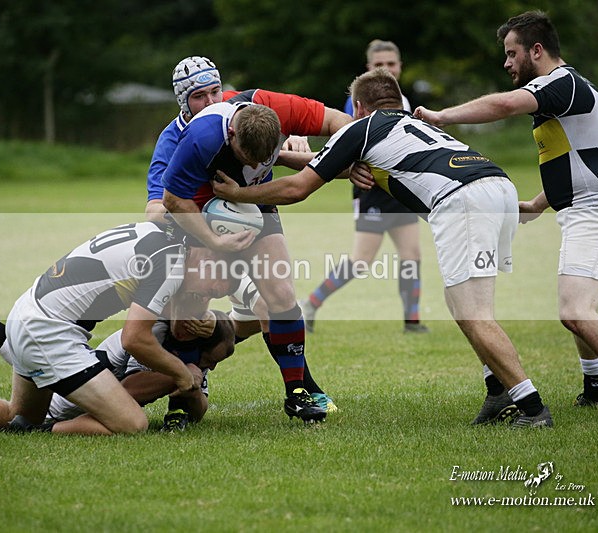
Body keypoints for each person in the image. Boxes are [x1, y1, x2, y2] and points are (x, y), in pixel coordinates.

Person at [213, 68, 553, 428]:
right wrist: (288, 157)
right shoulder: (414, 124)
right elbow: (327, 161)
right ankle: (497, 390)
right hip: (498, 186)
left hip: (462, 201)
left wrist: (239, 193)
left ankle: (532, 407)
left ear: (359, 107)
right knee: (460, 303)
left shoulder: (361, 129)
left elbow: (298, 187)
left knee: (473, 313)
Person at [413, 10, 598, 417]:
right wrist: (538, 203)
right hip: (589, 209)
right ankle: (595, 388)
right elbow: (581, 161)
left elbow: (503, 104)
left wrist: (442, 116)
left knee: (575, 311)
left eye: (511, 53)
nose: (506, 62)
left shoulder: (560, 82)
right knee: (577, 305)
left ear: (536, 50)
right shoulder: (568, 90)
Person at [0, 221, 239, 437]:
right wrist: (182, 374)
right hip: (52, 332)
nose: (207, 295)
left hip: (29, 312)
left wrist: (205, 319)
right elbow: (135, 339)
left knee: (19, 415)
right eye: (215, 287)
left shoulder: (163, 237)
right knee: (133, 423)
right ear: (209, 256)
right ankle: (42, 432)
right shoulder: (171, 264)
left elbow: (169, 306)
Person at [145, 56, 340, 413]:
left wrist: (354, 153)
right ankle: (182, 399)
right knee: (192, 304)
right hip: (201, 222)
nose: (210, 101)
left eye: (215, 91)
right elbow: (158, 209)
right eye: (198, 96)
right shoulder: (181, 140)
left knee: (280, 294)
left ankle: (298, 390)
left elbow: (337, 123)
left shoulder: (257, 110)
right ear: (182, 101)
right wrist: (211, 228)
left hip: (256, 210)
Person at [0, 282, 235, 432]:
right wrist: (182, 376)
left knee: (19, 356)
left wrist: (192, 385)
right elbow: (129, 391)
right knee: (19, 415)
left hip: (71, 365)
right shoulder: (156, 337)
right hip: (76, 385)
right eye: (211, 359)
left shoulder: (189, 356)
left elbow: (198, 409)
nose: (211, 366)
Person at [301, 40, 427, 335]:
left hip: (399, 187)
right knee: (361, 260)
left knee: (411, 255)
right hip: (371, 187)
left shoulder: (403, 101)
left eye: (391, 64)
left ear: (400, 66)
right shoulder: (359, 101)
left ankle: (412, 321)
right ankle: (310, 304)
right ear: (369, 68)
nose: (387, 69)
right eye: (379, 65)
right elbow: (350, 141)